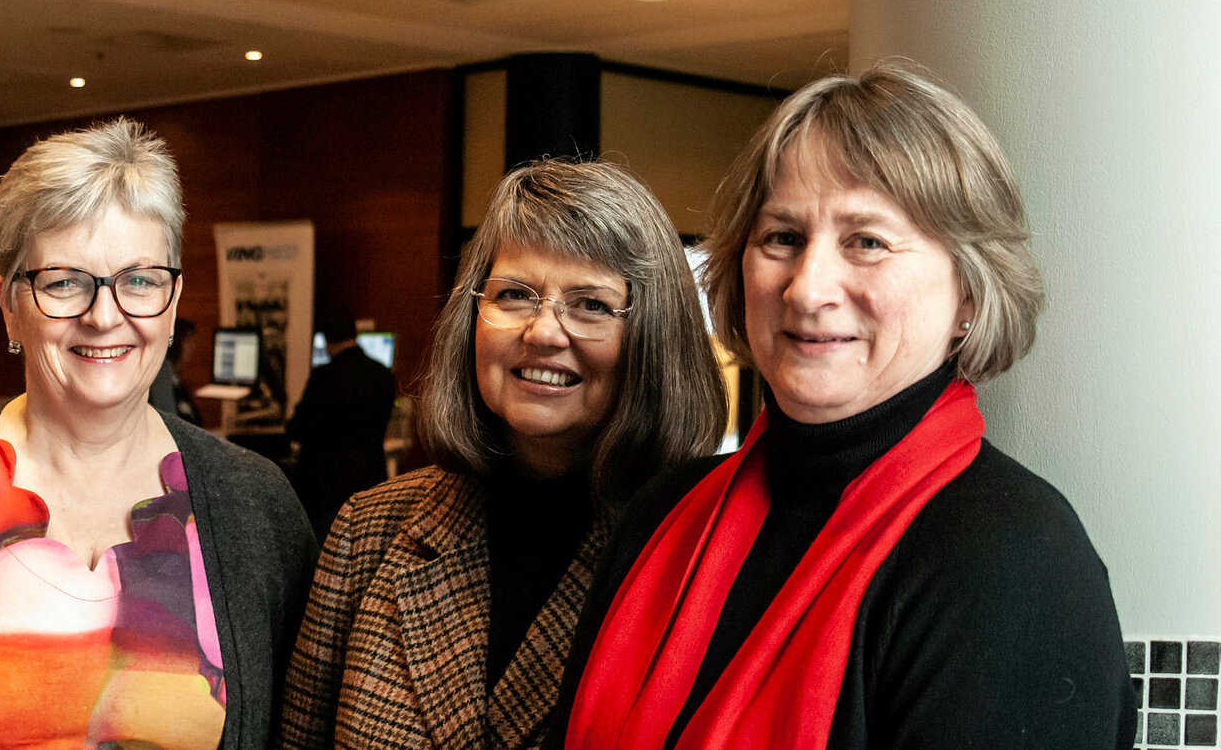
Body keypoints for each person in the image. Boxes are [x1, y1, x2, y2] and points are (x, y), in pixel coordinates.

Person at [550, 62, 1136, 748]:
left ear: (969, 296)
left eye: (867, 242)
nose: (807, 288)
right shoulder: (661, 514)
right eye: (783, 238)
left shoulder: (1016, 562)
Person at [0, 118, 318, 748]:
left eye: (139, 280)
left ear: (173, 301)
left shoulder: (258, 508)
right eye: (64, 282)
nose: (105, 316)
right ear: (8, 305)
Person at [278, 159, 727, 749]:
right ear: (472, 317)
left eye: (590, 304)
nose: (543, 332)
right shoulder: (368, 532)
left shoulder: (705, 556)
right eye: (515, 294)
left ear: (654, 338)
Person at [284, 312, 398, 540]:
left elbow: (298, 428)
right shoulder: (383, 375)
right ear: (355, 334)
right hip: (371, 485)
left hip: (327, 491)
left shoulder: (324, 377)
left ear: (327, 341)